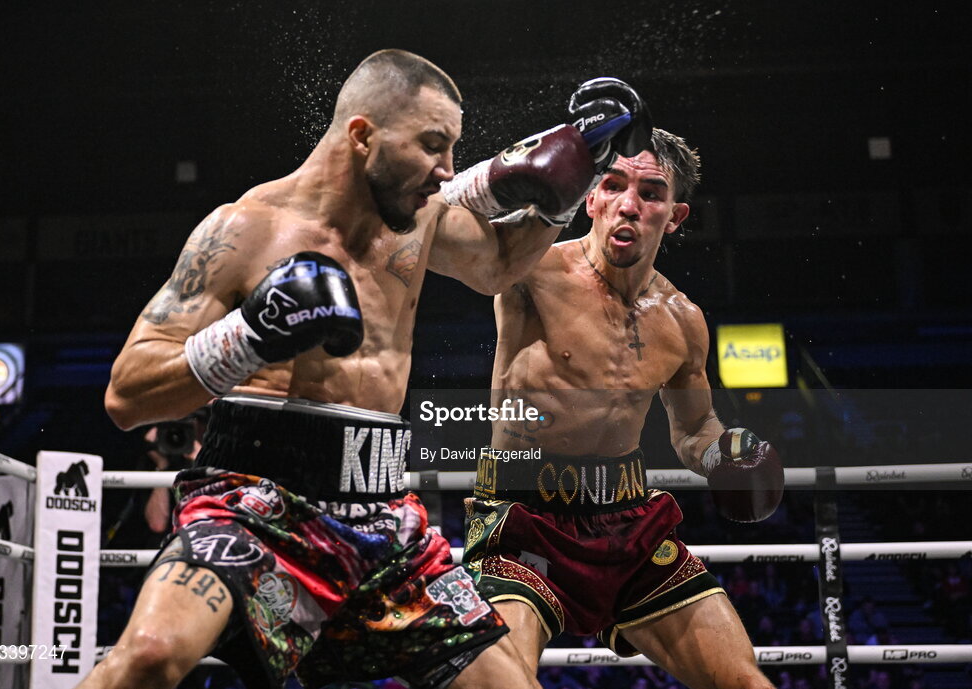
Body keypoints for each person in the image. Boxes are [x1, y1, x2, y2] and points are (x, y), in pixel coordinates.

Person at [78, 50, 650, 689]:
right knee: (150, 656)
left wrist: (565, 191)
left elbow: (496, 267)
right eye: (433, 145)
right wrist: (251, 334)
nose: (447, 170)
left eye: (453, 149)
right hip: (256, 504)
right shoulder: (243, 231)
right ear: (362, 136)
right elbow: (128, 394)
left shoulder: (421, 217)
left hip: (383, 516)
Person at [452, 124, 785, 689]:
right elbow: (455, 227)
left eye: (650, 193)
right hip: (524, 518)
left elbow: (695, 427)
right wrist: (547, 154)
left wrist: (724, 455)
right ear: (589, 197)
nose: (628, 204)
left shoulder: (683, 320)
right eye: (612, 184)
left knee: (744, 682)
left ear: (674, 216)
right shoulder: (529, 270)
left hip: (628, 522)